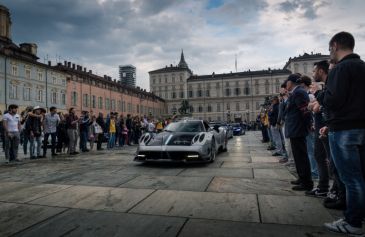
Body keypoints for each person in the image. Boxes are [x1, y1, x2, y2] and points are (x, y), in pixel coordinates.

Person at [323, 32, 365, 236]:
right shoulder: (362, 66)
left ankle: (353, 223)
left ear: (335, 45)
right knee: (360, 176)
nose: (329, 52)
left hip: (344, 129)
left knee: (351, 179)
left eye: (329, 48)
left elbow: (333, 101)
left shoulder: (341, 69)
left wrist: (322, 93)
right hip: (361, 127)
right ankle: (357, 215)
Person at [284, 73, 313, 191]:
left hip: (298, 129)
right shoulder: (296, 92)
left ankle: (306, 183)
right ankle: (302, 178)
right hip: (295, 129)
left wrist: (309, 125)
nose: (286, 85)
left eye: (287, 82)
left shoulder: (299, 92)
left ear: (290, 82)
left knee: (301, 156)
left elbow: (305, 111)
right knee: (298, 156)